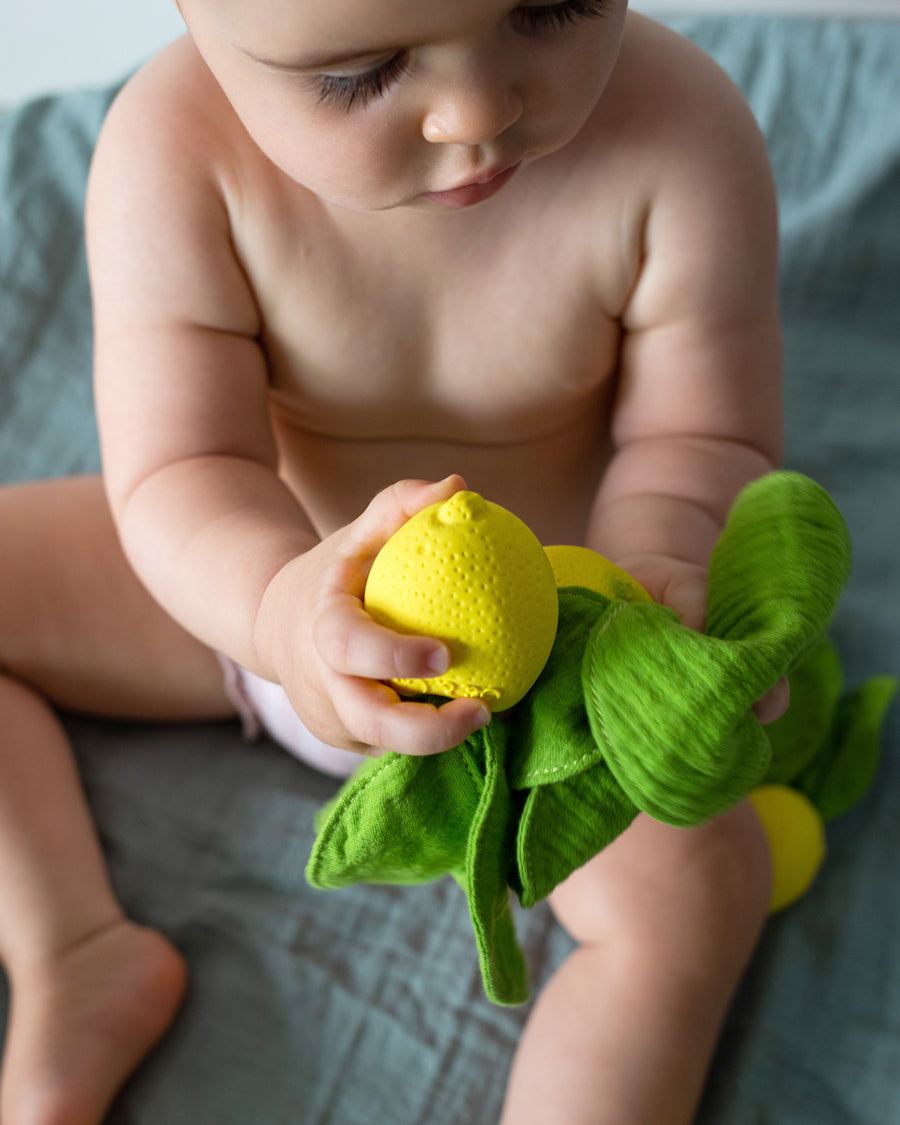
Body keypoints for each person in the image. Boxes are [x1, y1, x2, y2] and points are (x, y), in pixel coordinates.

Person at [0, 0, 790, 1121]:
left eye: (551, 8)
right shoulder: (172, 154)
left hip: (563, 676)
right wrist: (280, 614)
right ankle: (71, 947)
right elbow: (185, 471)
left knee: (703, 891)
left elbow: (702, 438)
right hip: (257, 595)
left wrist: (654, 580)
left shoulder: (684, 132)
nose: (478, 111)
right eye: (358, 75)